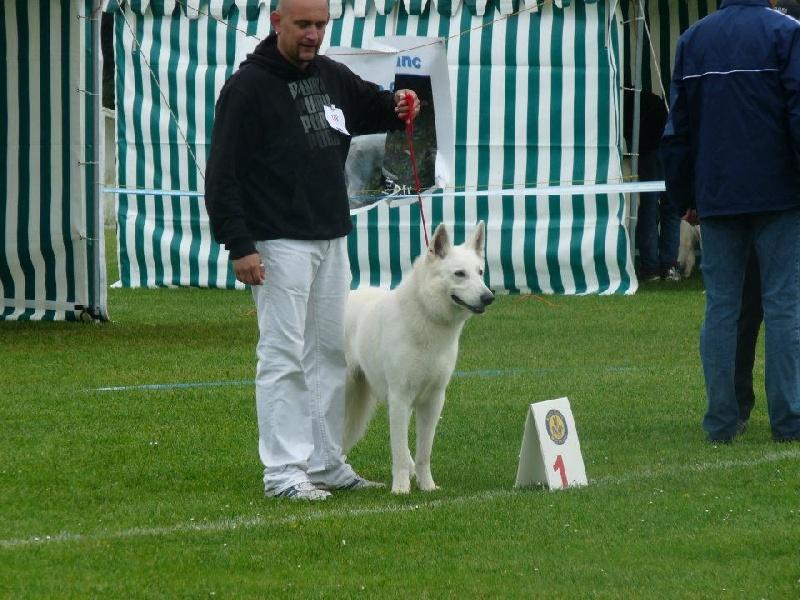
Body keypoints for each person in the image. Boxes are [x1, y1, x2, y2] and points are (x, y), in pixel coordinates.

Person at [204, 0, 420, 500]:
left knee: (327, 353)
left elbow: (372, 105)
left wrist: (401, 102)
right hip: (277, 242)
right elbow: (221, 175)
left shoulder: (330, 74)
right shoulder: (247, 88)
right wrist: (241, 245)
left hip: (330, 235)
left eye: (321, 25)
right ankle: (282, 471)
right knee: (283, 354)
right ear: (275, 22)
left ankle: (324, 462)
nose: (313, 34)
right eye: (303, 24)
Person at [661, 0, 800, 443]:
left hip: (717, 196)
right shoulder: (786, 33)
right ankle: (790, 420)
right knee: (783, 307)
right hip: (779, 194)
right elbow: (797, 115)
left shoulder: (693, 39)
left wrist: (685, 195)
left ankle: (721, 421)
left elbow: (677, 128)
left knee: (721, 309)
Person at [624, 88, 681, 282]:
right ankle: (670, 265)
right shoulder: (650, 98)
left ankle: (650, 267)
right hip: (669, 149)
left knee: (649, 207)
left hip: (650, 152)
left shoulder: (624, 102)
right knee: (670, 209)